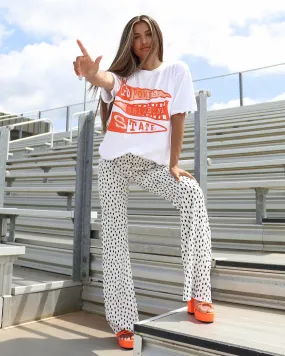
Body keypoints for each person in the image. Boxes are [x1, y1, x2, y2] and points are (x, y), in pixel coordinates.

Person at [73, 14, 215, 350]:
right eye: (135, 37)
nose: (142, 42)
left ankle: (199, 295)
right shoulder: (124, 76)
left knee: (192, 194)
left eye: (147, 34)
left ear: (157, 36)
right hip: (115, 164)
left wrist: (174, 163)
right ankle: (123, 322)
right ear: (129, 42)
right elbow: (108, 81)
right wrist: (94, 75)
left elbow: (178, 117)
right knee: (115, 236)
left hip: (153, 165)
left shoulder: (176, 72)